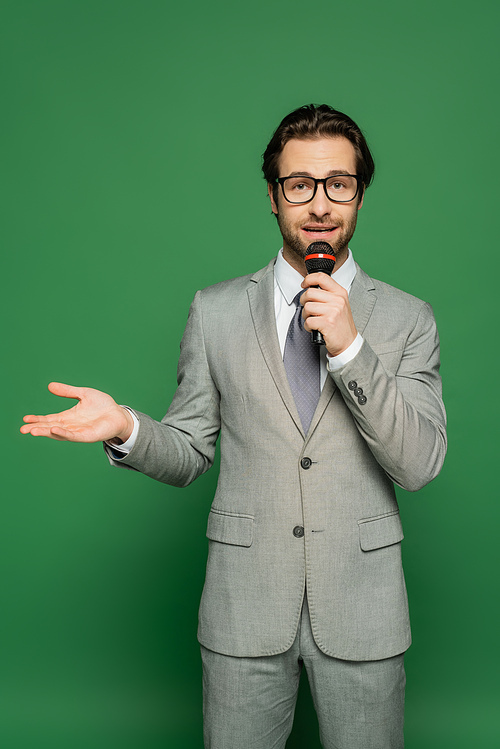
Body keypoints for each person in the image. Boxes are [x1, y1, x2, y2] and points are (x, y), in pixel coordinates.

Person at [21, 104, 447, 749]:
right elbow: (190, 451)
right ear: (273, 197)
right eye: (299, 184)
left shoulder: (409, 320)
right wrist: (125, 427)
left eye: (339, 183)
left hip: (364, 609)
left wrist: (351, 349)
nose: (320, 205)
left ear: (361, 194)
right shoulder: (216, 312)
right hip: (244, 606)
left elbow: (419, 464)